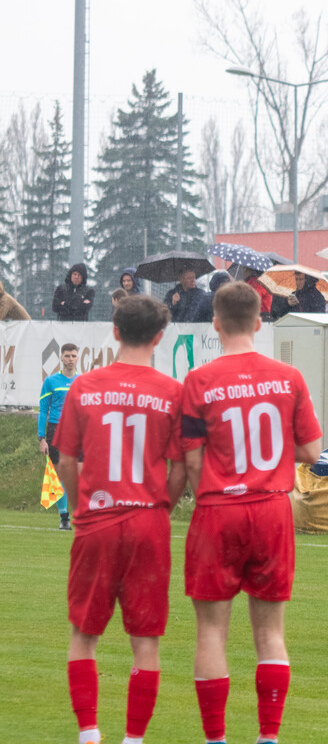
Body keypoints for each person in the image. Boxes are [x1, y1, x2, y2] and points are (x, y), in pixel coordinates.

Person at [181, 282, 322, 744]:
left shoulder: (198, 381)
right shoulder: (289, 377)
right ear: (260, 322)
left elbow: (193, 460)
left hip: (218, 510)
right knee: (271, 632)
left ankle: (216, 739)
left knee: (210, 633)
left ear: (216, 323)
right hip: (270, 510)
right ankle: (268, 737)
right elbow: (312, 450)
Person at [53, 294, 186, 744]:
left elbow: (66, 457)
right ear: (159, 337)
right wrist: (161, 506)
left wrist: (76, 505)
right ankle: (133, 739)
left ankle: (89, 733)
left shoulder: (85, 386)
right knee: (145, 640)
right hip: (148, 522)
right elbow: (182, 467)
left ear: (113, 331)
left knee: (84, 633)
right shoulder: (171, 391)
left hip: (97, 519)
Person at [39, 342, 80, 530]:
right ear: (61, 358)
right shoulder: (51, 381)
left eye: (73, 356)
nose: (70, 359)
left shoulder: (82, 382)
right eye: (67, 356)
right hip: (55, 430)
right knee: (59, 475)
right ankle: (64, 518)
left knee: (80, 473)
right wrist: (41, 438)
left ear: (77, 358)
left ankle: (82, 514)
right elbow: (43, 410)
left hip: (77, 431)